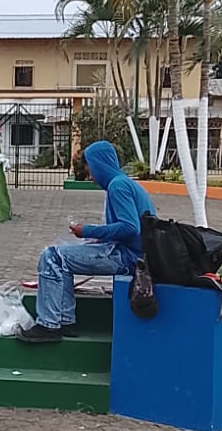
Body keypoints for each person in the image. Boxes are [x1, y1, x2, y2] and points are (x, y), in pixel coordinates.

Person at [19, 140, 155, 342]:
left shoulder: (118, 186)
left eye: (89, 169)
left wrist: (88, 231)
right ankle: (64, 321)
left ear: (99, 165)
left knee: (52, 256)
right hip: (134, 253)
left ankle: (49, 324)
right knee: (62, 259)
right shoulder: (124, 183)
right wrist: (100, 237)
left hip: (128, 257)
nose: (90, 176)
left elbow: (130, 228)